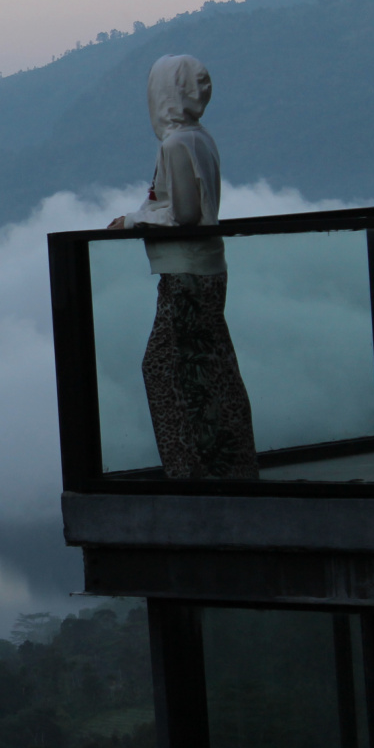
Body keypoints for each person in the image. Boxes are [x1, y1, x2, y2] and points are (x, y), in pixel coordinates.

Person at [107, 55, 258, 479]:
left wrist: (133, 221)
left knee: (166, 370)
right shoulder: (199, 137)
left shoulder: (176, 144)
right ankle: (233, 465)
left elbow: (187, 215)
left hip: (187, 273)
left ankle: (190, 472)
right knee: (212, 367)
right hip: (207, 268)